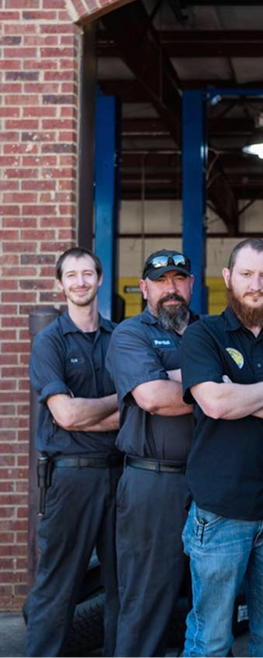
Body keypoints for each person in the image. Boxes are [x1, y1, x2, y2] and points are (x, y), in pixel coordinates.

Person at [179, 239, 263, 657]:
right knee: (210, 640)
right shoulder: (203, 335)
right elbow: (215, 404)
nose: (257, 284)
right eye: (248, 274)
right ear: (228, 278)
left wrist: (240, 396)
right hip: (221, 513)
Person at [26, 247, 120, 658]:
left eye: (88, 273)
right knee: (57, 585)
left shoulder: (121, 339)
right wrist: (121, 401)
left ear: (100, 280)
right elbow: (64, 414)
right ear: (59, 284)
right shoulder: (49, 343)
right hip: (70, 477)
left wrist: (87, 413)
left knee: (126, 584)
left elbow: (138, 413)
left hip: (121, 475)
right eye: (72, 275)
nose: (80, 281)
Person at [106, 249, 197, 658]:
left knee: (209, 604)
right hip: (152, 483)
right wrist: (213, 386)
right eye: (161, 281)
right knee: (145, 604)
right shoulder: (130, 334)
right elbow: (153, 397)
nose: (171, 289)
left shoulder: (208, 332)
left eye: (179, 279)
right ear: (145, 288)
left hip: (208, 483)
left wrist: (176, 377)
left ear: (191, 285)